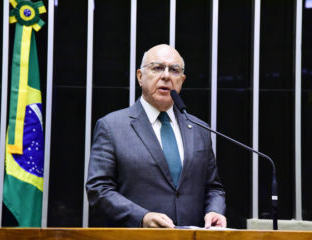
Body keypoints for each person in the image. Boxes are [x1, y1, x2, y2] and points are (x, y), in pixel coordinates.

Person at [86, 44, 226, 228]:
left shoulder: (200, 129)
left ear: (182, 80)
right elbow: (99, 190)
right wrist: (142, 217)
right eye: (157, 68)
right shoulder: (112, 127)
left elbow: (213, 188)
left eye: (174, 70)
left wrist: (214, 210)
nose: (166, 76)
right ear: (140, 76)